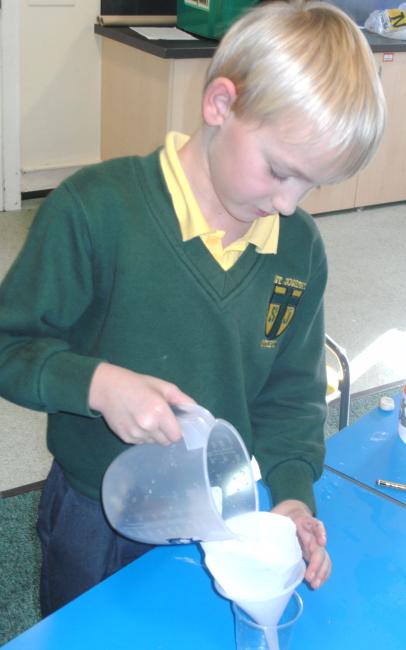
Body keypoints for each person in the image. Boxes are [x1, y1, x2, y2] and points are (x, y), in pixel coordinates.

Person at [0, 0, 385, 616]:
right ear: (221, 105)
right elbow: (9, 347)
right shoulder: (95, 210)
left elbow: (291, 396)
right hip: (96, 507)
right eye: (280, 172)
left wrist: (291, 497)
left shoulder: (298, 249)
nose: (289, 205)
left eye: (310, 186)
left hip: (218, 509)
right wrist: (98, 384)